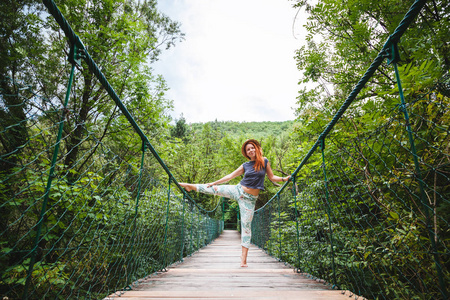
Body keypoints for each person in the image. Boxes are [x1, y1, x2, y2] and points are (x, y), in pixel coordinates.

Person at [179, 139, 291, 267]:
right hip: (238, 190)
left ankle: (243, 260)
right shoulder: (245, 165)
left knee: (246, 227)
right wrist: (215, 182)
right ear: (247, 153)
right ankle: (190, 186)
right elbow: (230, 176)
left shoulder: (264, 161)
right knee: (214, 189)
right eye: (248, 150)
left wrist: (284, 179)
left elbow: (272, 177)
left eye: (252, 148)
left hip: (249, 200)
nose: (251, 151)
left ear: (256, 148)